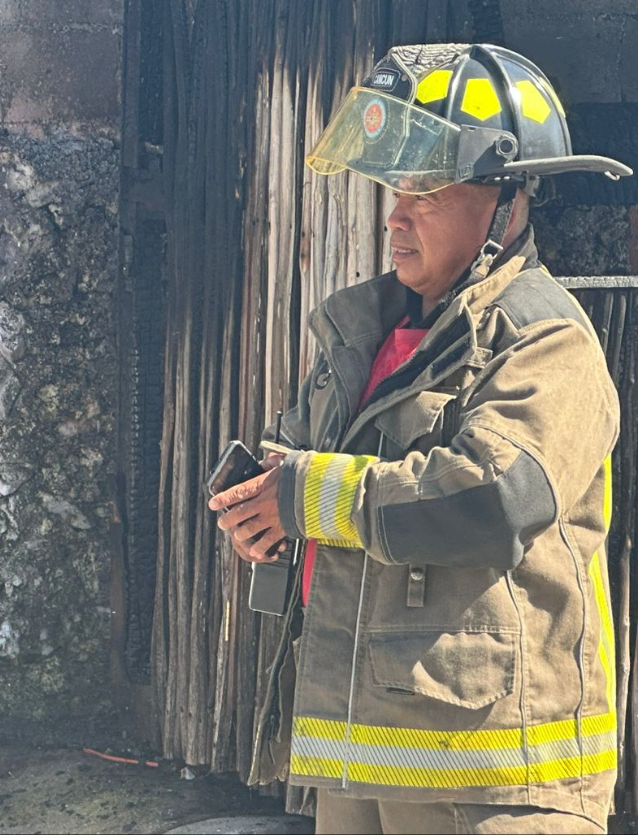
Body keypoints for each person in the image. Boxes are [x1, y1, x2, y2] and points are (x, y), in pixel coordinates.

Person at [208, 43, 630, 833]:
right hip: (363, 753)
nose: (395, 215)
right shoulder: (365, 333)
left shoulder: (545, 340)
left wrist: (307, 496)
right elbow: (297, 463)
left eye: (428, 191)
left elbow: (495, 495)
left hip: (499, 777)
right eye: (395, 188)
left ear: (505, 203)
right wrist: (260, 505)